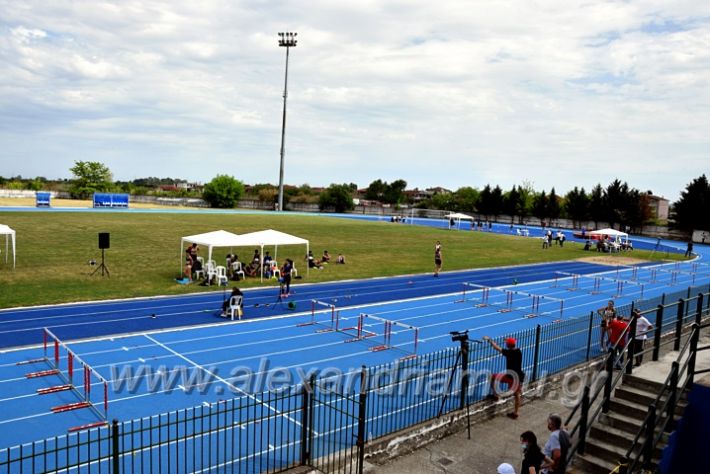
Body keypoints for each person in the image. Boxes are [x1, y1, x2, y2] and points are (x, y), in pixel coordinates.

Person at [483, 336, 524, 419]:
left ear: (508, 346)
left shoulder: (508, 353)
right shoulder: (518, 351)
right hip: (518, 376)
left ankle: (496, 395)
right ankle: (515, 413)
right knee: (517, 395)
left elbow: (496, 347)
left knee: (492, 377)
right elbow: (512, 346)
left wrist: (489, 340)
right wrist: (507, 341)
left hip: (511, 378)